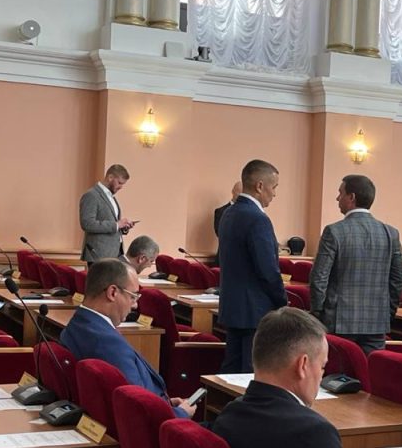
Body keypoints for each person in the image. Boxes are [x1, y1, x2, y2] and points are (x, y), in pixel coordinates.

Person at [209, 307, 402, 448]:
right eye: (322, 367)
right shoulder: (314, 432)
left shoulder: (231, 412)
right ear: (302, 365)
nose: (321, 376)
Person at [60, 259, 193, 417]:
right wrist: (180, 413)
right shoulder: (108, 344)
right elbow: (138, 407)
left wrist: (166, 404)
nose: (135, 305)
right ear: (112, 293)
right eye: (133, 296)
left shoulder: (77, 324)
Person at [309, 175, 402, 354]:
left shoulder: (334, 231)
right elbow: (399, 280)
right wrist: (387, 312)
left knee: (339, 371)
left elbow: (319, 277)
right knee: (370, 370)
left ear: (351, 197)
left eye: (340, 193)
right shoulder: (390, 233)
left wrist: (317, 313)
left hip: (338, 321)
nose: (337, 198)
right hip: (376, 322)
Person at [217, 159, 287, 373]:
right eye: (274, 187)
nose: (274, 194)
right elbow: (267, 270)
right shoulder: (258, 219)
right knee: (251, 372)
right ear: (260, 186)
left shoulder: (229, 213)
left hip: (233, 307)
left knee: (231, 372)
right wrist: (282, 301)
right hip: (255, 311)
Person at [80, 165, 135, 264]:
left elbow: (113, 225)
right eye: (119, 183)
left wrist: (123, 227)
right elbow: (87, 223)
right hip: (98, 255)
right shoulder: (91, 195)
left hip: (115, 254)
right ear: (110, 177)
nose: (121, 187)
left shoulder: (111, 197)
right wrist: (116, 225)